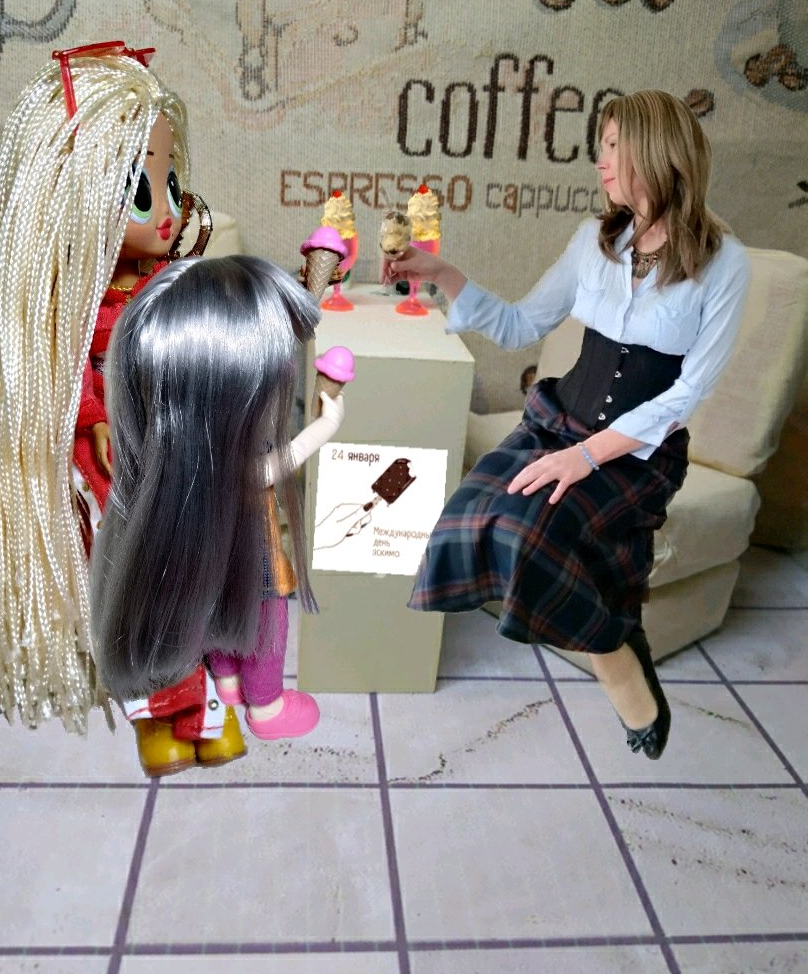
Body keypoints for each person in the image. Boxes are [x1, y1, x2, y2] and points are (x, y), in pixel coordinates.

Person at [382, 90, 750, 760]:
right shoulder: (594, 241)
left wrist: (587, 458)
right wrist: (444, 275)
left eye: (612, 146)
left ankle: (619, 661)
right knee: (468, 518)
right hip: (557, 424)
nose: (600, 161)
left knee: (527, 534)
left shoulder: (723, 262)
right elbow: (521, 323)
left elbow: (689, 391)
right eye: (600, 147)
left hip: (636, 454)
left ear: (652, 151)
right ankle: (617, 629)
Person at [0, 43, 242, 774]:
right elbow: (62, 379)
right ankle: (168, 714)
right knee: (138, 584)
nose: (168, 212)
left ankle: (197, 704)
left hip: (173, 453)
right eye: (141, 190)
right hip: (113, 466)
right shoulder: (64, 302)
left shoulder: (167, 280)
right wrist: (98, 418)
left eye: (170, 184)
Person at [90, 255, 342, 762]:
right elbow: (269, 468)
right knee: (267, 615)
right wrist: (327, 425)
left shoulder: (172, 456)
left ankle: (227, 682)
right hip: (252, 553)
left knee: (220, 608)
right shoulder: (232, 455)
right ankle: (266, 706)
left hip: (212, 556)